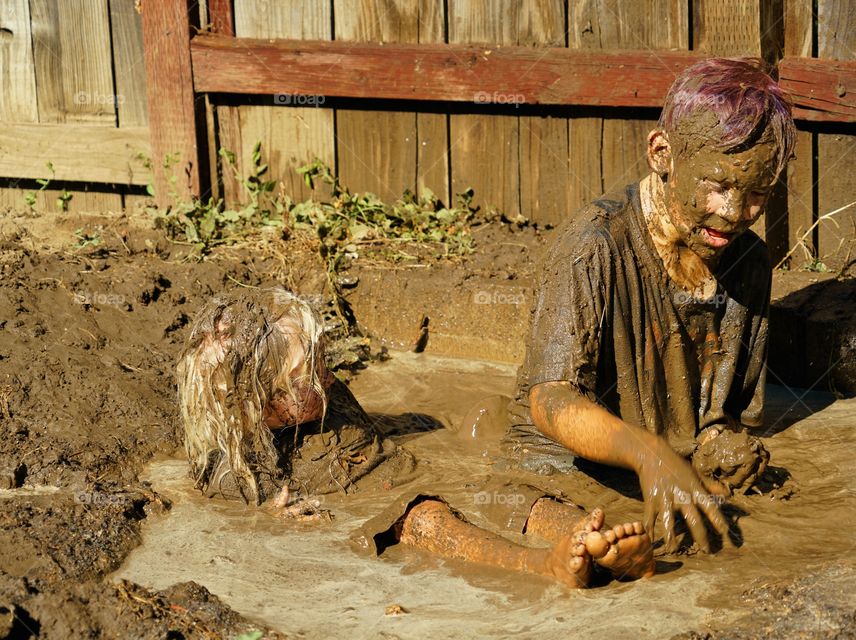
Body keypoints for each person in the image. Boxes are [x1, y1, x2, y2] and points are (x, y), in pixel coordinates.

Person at [504, 57, 795, 554]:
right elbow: (549, 401)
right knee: (602, 554)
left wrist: (718, 444)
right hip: (556, 470)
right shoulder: (592, 246)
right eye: (719, 185)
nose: (734, 213)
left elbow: (722, 415)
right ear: (662, 153)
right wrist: (648, 453)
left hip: (664, 469)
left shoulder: (750, 262)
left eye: (757, 195)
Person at [176, 288, 655, 587]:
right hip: (385, 510)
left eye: (322, 359)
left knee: (507, 494)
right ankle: (544, 566)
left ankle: (600, 541)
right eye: (308, 374)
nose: (327, 375)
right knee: (426, 521)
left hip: (415, 474)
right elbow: (244, 503)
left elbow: (394, 421)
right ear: (261, 401)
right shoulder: (234, 463)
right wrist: (280, 516)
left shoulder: (325, 394)